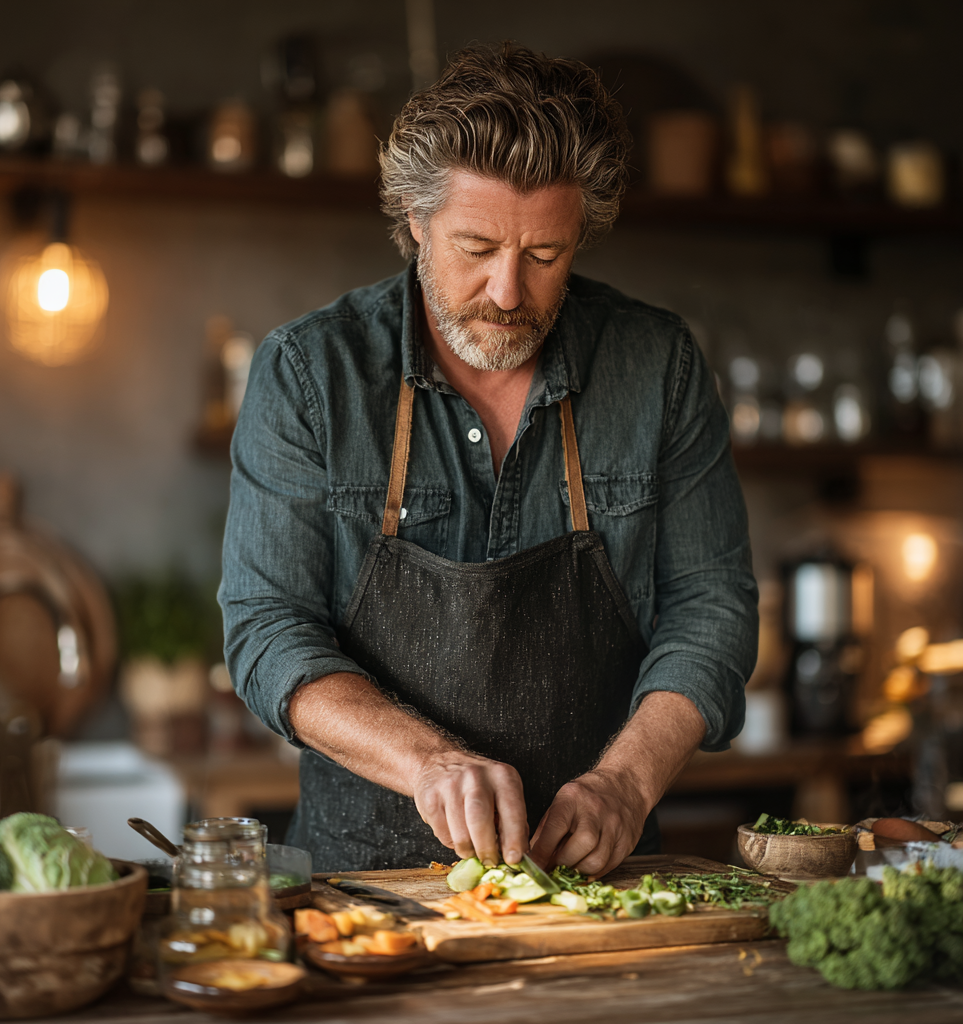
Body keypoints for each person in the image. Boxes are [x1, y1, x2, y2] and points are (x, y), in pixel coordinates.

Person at [219, 43, 758, 876]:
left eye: (546, 257)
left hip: (599, 886)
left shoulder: (659, 367)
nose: (510, 292)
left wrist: (627, 780)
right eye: (476, 248)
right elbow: (267, 630)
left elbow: (711, 609)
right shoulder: (308, 375)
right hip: (366, 890)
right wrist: (429, 764)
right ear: (413, 221)